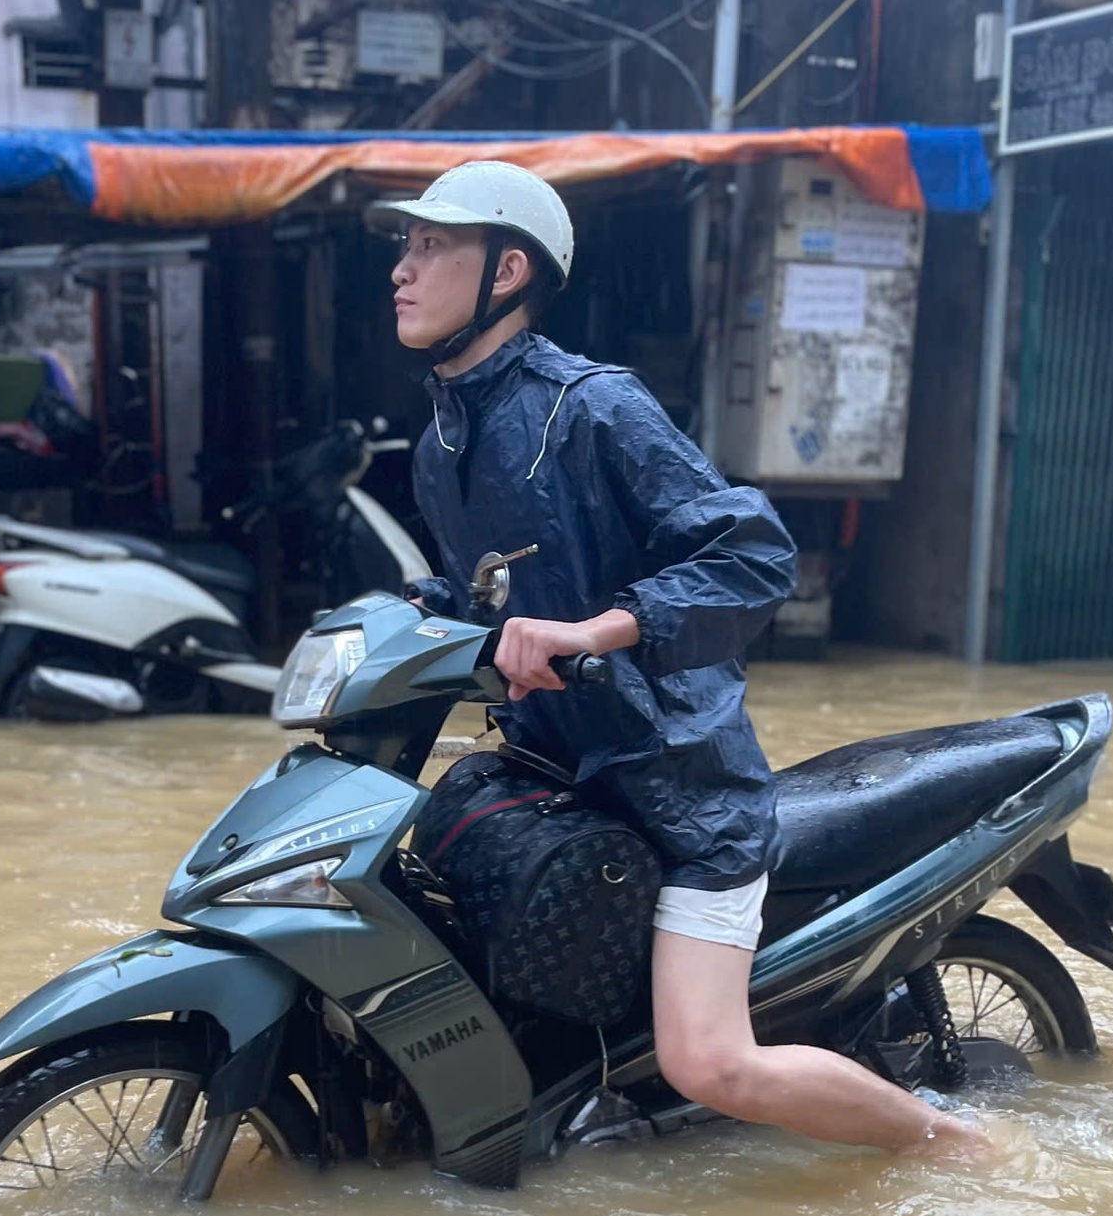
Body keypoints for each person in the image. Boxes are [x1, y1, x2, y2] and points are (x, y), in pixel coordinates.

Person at [371, 162, 982, 1162]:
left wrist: (594, 632)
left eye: (432, 246)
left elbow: (752, 558)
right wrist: (412, 613)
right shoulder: (444, 437)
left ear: (508, 268)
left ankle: (950, 1143)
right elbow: (488, 595)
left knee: (713, 1065)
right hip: (558, 775)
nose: (404, 268)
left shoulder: (592, 407)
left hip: (681, 791)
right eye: (406, 246)